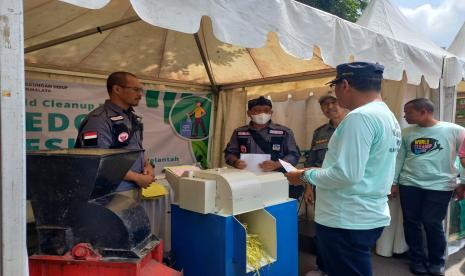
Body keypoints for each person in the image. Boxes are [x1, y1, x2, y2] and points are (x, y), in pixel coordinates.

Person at [286, 62, 401, 276]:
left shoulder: (360, 117)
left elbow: (346, 175)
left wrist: (304, 175)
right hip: (366, 212)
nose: (335, 95)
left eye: (335, 87)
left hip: (347, 217)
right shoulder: (388, 116)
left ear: (345, 85)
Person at [391, 98, 465, 276]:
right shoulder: (406, 132)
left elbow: (463, 158)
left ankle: (436, 261)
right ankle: (416, 259)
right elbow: (399, 158)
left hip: (441, 185)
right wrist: (393, 182)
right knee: (411, 222)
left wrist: (462, 181)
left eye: (408, 112)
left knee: (432, 223)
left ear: (423, 111)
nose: (404, 116)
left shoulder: (455, 130)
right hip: (409, 183)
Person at [75, 71, 154, 201]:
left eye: (141, 90)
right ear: (117, 89)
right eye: (135, 89)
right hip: (111, 194)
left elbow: (137, 148)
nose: (140, 95)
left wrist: (148, 165)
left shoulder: (131, 117)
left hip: (132, 190)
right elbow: (97, 161)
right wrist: (137, 178)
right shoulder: (99, 119)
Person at [302, 95, 346, 275]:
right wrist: (308, 186)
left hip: (347, 189)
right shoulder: (319, 132)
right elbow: (311, 161)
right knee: (322, 229)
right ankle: (323, 267)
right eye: (324, 105)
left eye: (333, 102)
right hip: (322, 188)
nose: (329, 107)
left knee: (345, 232)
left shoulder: (355, 126)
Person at [224, 96, 301, 198]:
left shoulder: (284, 132)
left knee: (275, 208)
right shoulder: (239, 132)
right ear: (249, 113)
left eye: (266, 110)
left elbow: (294, 155)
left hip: (276, 181)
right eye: (257, 111)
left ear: (271, 113)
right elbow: (229, 153)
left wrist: (276, 164)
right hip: (247, 182)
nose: (262, 114)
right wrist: (235, 162)